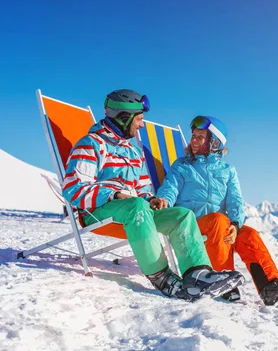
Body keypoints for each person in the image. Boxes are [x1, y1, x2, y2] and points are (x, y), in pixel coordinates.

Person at [62, 90, 245, 301]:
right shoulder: (91, 145)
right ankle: (162, 277)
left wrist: (151, 199)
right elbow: (74, 189)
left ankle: (197, 275)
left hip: (137, 213)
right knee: (137, 206)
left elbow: (142, 189)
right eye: (139, 119)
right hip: (100, 213)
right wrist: (114, 195)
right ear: (124, 117)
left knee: (182, 215)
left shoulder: (133, 151)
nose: (141, 125)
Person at [157, 115, 278, 307]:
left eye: (200, 137)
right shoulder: (182, 166)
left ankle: (269, 286)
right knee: (218, 220)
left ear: (215, 142)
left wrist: (235, 224)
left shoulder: (227, 170)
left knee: (248, 234)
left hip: (220, 227)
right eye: (193, 136)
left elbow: (235, 202)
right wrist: (163, 199)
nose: (194, 140)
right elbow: (170, 187)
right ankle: (223, 283)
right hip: (190, 224)